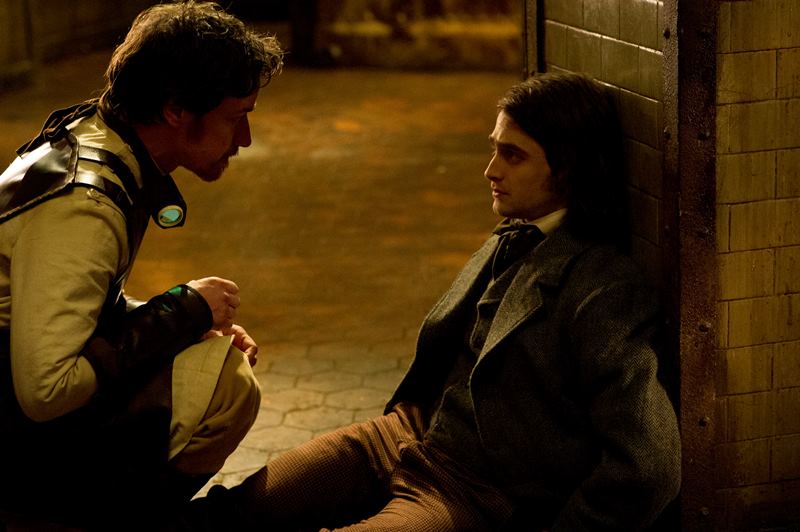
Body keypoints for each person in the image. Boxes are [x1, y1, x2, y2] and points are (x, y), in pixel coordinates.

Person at [177, 71, 681, 532]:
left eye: (513, 156)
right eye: (495, 149)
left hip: (468, 487)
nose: (490, 170)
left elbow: (649, 468)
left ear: (567, 171)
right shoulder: (516, 233)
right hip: (404, 433)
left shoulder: (604, 288)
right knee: (242, 510)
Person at [0, 1, 283, 528]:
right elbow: (45, 391)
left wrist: (188, 323)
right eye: (236, 117)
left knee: (207, 352)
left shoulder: (99, 136)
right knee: (226, 386)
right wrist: (180, 312)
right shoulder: (85, 205)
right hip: (15, 424)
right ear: (176, 110)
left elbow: (65, 306)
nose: (244, 139)